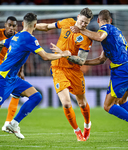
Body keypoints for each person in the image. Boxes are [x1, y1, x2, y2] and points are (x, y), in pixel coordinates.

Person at [0, 12, 71, 145]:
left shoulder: (16, 36)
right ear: (35, 25)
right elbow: (46, 57)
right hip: (2, 77)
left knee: (36, 96)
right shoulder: (29, 38)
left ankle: (13, 123)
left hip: (12, 78)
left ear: (23, 24)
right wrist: (63, 54)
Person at [68, 9, 128, 140]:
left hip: (122, 70)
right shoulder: (115, 33)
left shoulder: (105, 28)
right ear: (110, 19)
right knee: (122, 100)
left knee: (108, 106)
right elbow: (101, 59)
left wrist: (80, 30)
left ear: (99, 21)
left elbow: (99, 37)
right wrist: (82, 62)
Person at [35, 7, 93, 141]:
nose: (83, 24)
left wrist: (65, 55)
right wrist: (31, 26)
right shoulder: (67, 22)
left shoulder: (86, 38)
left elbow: (81, 60)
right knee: (66, 103)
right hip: (57, 68)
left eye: (86, 23)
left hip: (74, 70)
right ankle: (77, 132)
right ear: (78, 17)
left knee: (82, 103)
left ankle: (87, 125)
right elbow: (47, 27)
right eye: (82, 21)